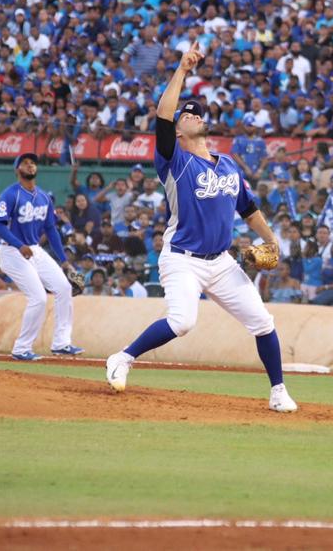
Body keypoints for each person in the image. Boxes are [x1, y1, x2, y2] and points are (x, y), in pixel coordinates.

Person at [105, 43, 297, 413]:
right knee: (182, 321)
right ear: (177, 132)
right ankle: (123, 357)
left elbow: (249, 209)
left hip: (221, 261)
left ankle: (278, 391)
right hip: (182, 258)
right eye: (187, 115)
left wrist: (271, 241)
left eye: (197, 113)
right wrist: (181, 69)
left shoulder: (228, 166)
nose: (193, 116)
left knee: (262, 321)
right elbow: (163, 116)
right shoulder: (173, 161)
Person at [0, 152, 81, 361]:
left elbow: (51, 230)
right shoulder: (10, 194)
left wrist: (64, 260)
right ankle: (21, 348)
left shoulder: (44, 197)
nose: (30, 166)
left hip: (34, 250)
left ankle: (61, 343)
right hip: (12, 251)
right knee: (39, 298)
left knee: (64, 287)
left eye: (33, 163)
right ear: (17, 170)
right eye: (25, 163)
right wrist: (19, 244)